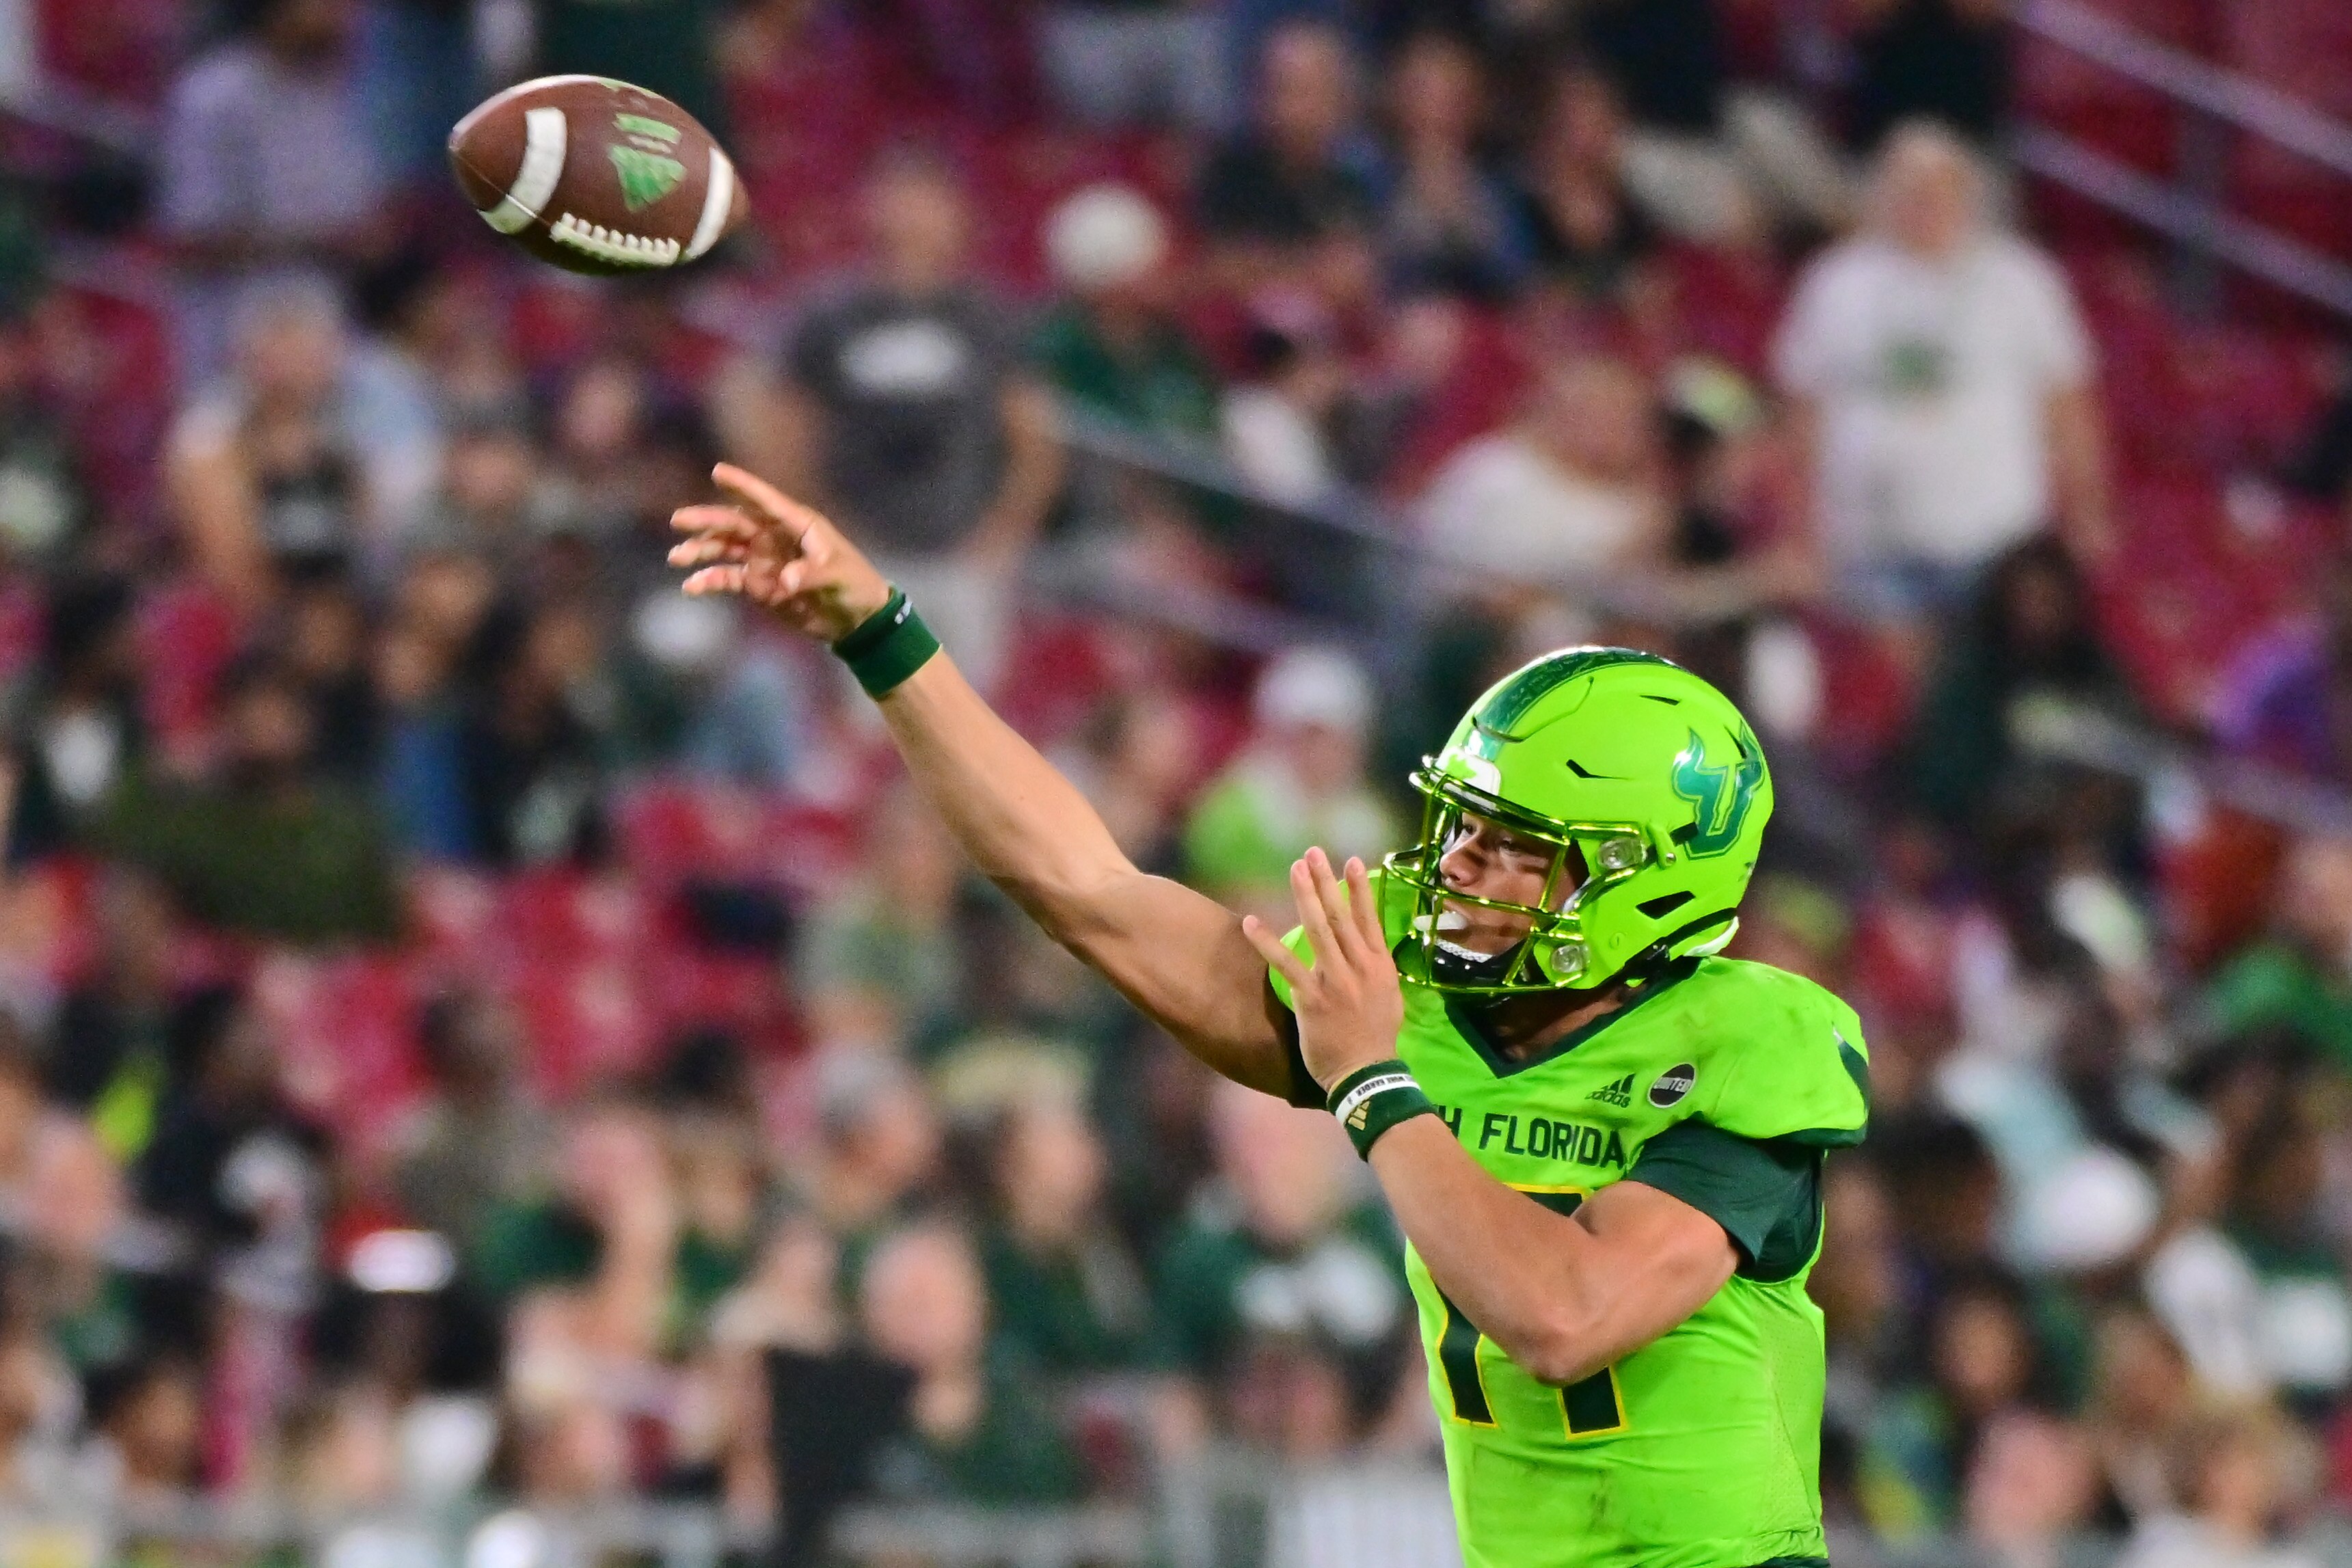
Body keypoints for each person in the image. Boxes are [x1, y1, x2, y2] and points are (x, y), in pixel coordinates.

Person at [669, 459, 1871, 1567]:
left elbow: (1569, 1314)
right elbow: (1090, 891)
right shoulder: (1415, 985)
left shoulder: (1752, 1036)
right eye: (1463, 826)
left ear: (1651, 874)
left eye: (1518, 851)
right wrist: (884, 634)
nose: (1459, 869)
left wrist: (1374, 1083)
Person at [718, 150, 1063, 692]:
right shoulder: (831, 317)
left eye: (926, 200)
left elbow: (1034, 440)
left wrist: (1003, 533)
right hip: (865, 553)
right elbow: (784, 436)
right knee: (872, 717)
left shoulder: (987, 319)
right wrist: (822, 535)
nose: (911, 216)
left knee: (974, 723)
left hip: (963, 555)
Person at [1773, 124, 2111, 639]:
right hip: (1868, 541)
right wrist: (1801, 527)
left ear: (1968, 198)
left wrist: (2086, 508)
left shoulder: (2020, 280)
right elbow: (1802, 412)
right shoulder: (1836, 282)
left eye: (1937, 191)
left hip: (1993, 539)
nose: (1922, 206)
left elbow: (2066, 404)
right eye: (1907, 191)